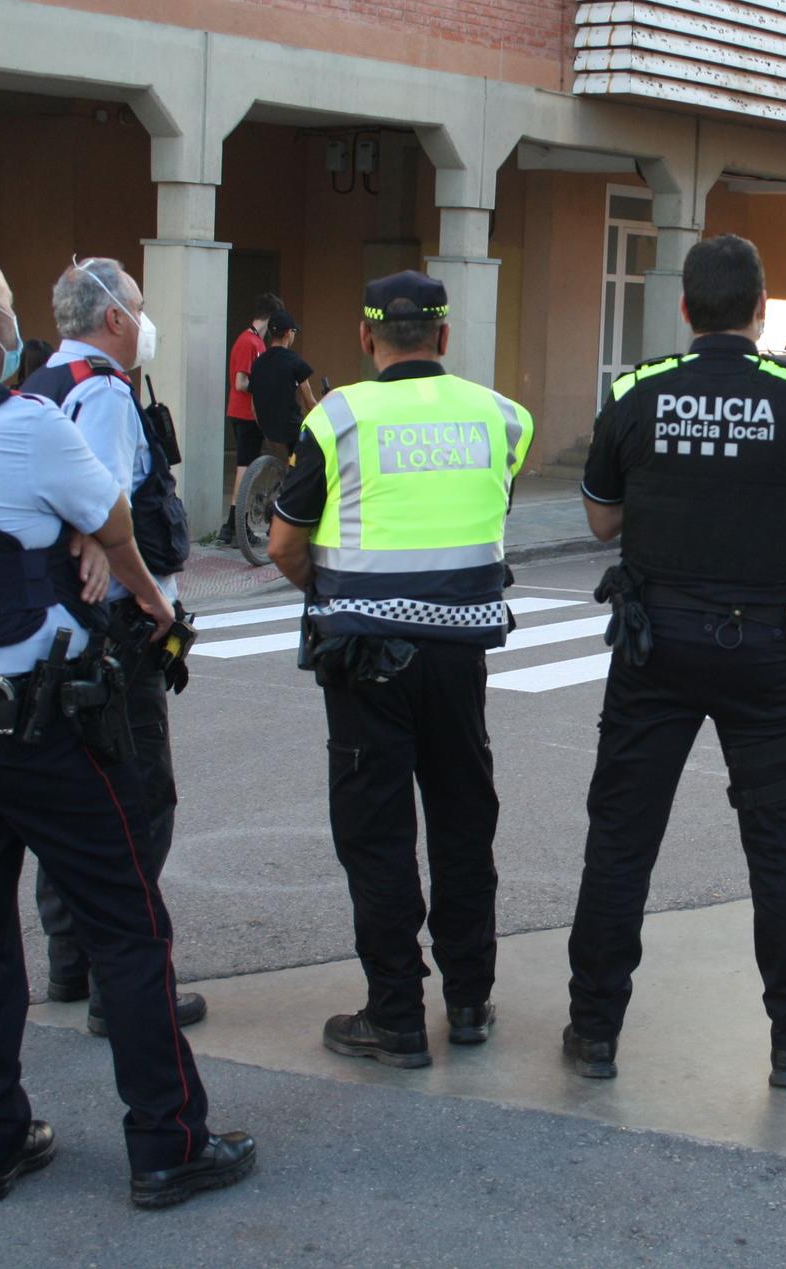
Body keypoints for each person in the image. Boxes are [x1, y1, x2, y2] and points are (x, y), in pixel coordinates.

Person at [0, 245, 252, 1209]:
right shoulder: (13, 424)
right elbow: (111, 516)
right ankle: (168, 1141)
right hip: (32, 722)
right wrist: (154, 605)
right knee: (126, 918)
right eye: (10, 302)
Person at [566, 234, 786, 1088]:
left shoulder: (637, 393)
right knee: (780, 850)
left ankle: (593, 1031)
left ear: (687, 308)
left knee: (622, 841)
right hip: (768, 653)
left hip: (655, 646)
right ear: (761, 310)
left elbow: (598, 522)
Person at [264, 270, 533, 1069]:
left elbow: (284, 544)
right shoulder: (501, 417)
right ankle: (470, 999)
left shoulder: (337, 415)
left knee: (377, 834)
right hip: (460, 656)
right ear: (444, 338)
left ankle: (395, 1017)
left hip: (363, 656)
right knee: (461, 820)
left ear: (365, 335)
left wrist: (337, 588)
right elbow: (492, 504)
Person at [19, 256, 202, 1038]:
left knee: (72, 801)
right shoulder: (101, 390)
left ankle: (70, 960)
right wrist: (156, 602)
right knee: (138, 803)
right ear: (115, 318)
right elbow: (104, 505)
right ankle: (118, 982)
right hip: (111, 632)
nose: (144, 318)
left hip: (51, 631)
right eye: (138, 304)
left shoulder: (38, 386)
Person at [219, 292, 283, 545]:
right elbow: (241, 381)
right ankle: (237, 525)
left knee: (245, 467)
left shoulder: (249, 341)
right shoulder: (252, 343)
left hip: (242, 412)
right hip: (246, 413)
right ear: (269, 318)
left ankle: (232, 525)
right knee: (245, 469)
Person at [247, 310, 317, 459]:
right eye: (294, 331)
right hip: (292, 429)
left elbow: (253, 407)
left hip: (268, 430)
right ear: (287, 333)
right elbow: (310, 403)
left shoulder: (258, 363)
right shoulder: (295, 361)